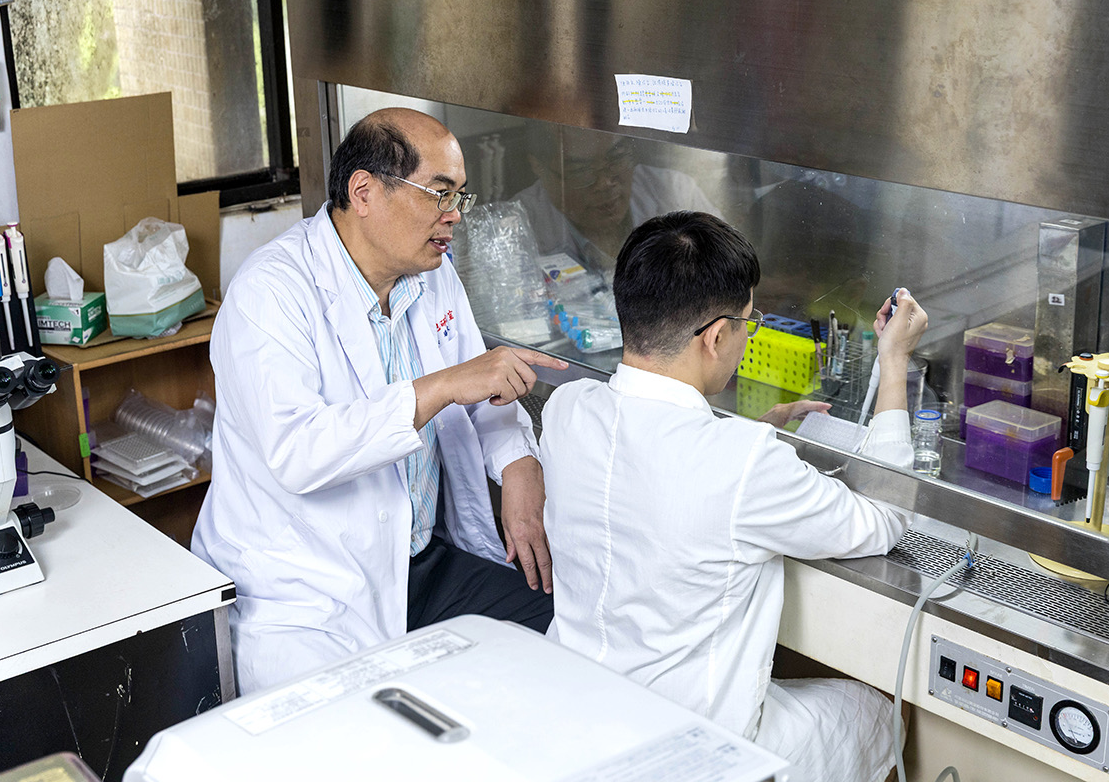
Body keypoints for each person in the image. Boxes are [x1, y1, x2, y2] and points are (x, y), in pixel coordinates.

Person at [540, 211, 928, 782]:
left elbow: (656, 466)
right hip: (695, 751)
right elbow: (888, 514)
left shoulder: (566, 409)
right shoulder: (743, 461)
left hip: (579, 714)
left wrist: (758, 433)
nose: (749, 337)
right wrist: (895, 361)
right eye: (749, 323)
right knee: (884, 708)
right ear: (717, 337)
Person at [191, 108, 568, 694]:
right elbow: (298, 452)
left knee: (563, 631)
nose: (454, 216)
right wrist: (441, 387)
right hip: (309, 590)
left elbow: (482, 390)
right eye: (439, 195)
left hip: (420, 561)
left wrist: (520, 465)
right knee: (359, 732)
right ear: (363, 192)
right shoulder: (269, 293)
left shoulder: (431, 272)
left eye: (459, 197)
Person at [513, 124, 722, 281]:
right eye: (580, 170)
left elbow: (728, 272)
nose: (605, 183)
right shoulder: (519, 225)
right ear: (538, 167)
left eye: (617, 157)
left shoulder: (675, 192)